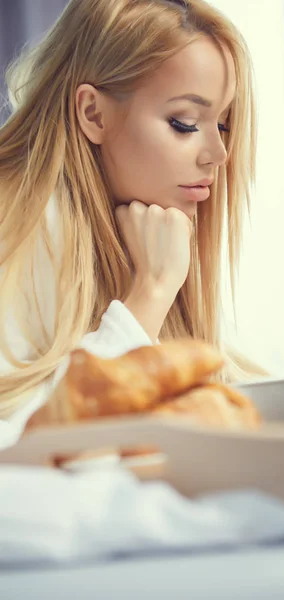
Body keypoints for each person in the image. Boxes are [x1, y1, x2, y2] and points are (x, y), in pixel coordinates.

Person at [0, 0, 265, 447]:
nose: (218, 155)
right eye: (184, 123)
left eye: (221, 125)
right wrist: (151, 293)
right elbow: (29, 451)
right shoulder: (21, 226)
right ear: (92, 114)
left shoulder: (146, 225)